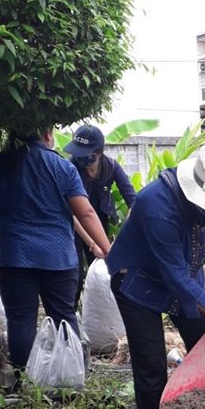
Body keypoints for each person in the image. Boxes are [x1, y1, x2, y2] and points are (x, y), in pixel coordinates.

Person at [107, 140, 205, 409]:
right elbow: (176, 277)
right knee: (152, 367)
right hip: (138, 282)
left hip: (185, 276)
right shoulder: (156, 203)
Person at [0, 130, 111, 370]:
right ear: (46, 134)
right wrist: (108, 249)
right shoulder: (61, 166)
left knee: (21, 320)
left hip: (15, 254)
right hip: (58, 256)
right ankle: (73, 374)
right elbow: (85, 212)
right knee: (64, 316)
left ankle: (24, 380)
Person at [63, 124, 136, 301]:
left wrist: (121, 236)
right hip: (73, 228)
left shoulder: (111, 167)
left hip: (98, 224)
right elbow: (69, 211)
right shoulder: (69, 167)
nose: (78, 157)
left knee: (109, 274)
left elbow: (134, 201)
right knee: (75, 278)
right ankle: (70, 323)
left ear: (98, 152)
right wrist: (91, 243)